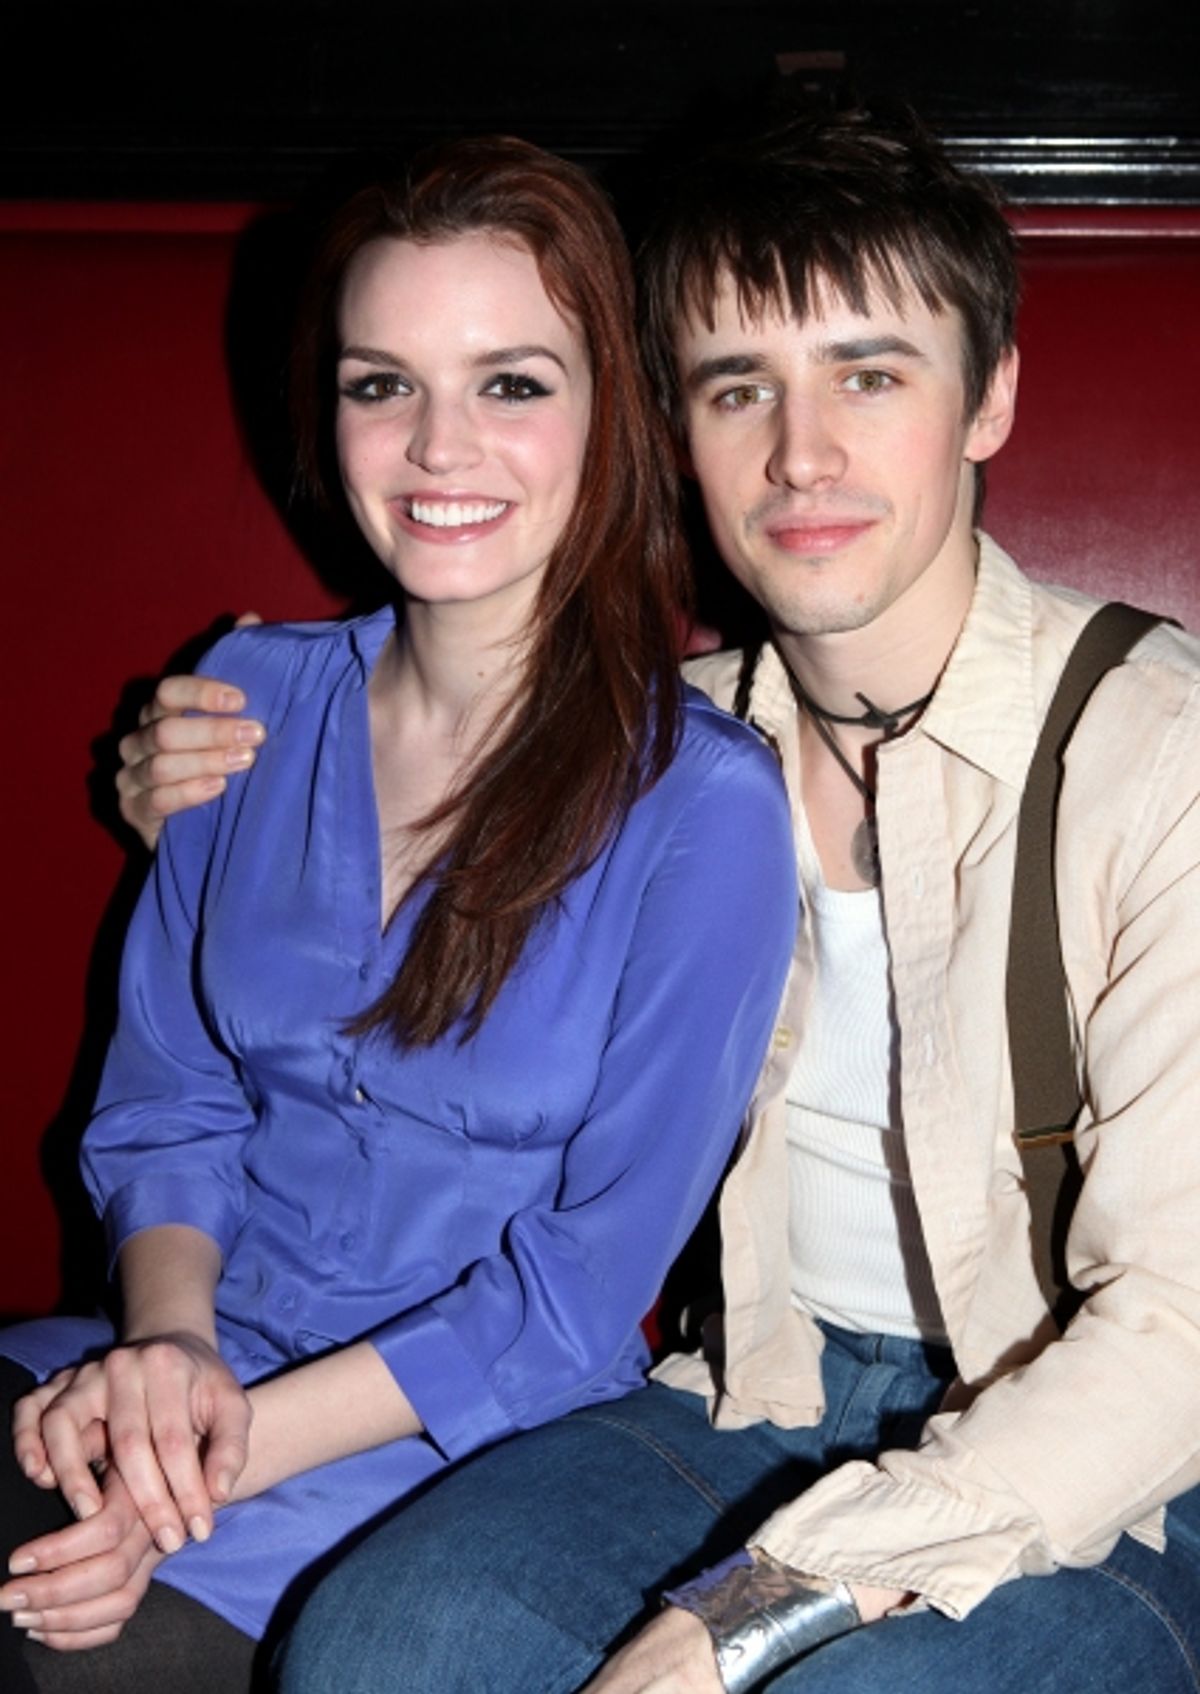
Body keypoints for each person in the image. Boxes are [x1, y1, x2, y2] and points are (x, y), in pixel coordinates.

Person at [99, 106, 1200, 1693]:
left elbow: (1170, 1343)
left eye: (870, 373)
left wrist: (736, 1618)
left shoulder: (1157, 751)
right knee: (377, 1643)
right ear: (670, 423)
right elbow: (378, 794)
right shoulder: (671, 753)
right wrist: (177, 774)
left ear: (992, 396)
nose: (801, 452)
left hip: (1115, 1471)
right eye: (739, 385)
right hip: (745, 1394)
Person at [0, 135, 799, 1693]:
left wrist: (202, 1459)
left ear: (608, 414)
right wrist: (168, 1355)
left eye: (511, 383)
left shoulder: (705, 809)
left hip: (442, 1457)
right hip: (170, 1369)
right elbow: (168, 1103)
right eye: (383, 384)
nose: (440, 447)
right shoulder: (238, 707)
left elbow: (577, 1292)